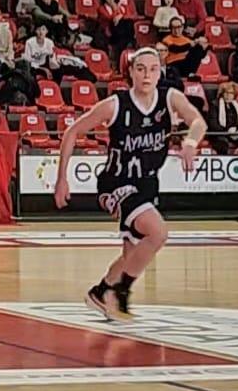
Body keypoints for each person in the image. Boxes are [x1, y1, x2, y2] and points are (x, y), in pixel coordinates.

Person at [55, 48, 205, 320]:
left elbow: (197, 121)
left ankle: (101, 292)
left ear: (160, 73)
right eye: (141, 69)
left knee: (133, 253)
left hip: (147, 183)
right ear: (131, 72)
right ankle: (121, 291)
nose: (147, 75)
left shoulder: (170, 97)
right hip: (117, 183)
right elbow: (72, 131)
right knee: (158, 233)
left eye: (153, 69)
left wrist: (191, 142)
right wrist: (61, 179)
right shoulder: (115, 104)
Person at [204, 81, 238, 153]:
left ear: (234, 95)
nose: (228, 95)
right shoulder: (215, 105)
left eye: (231, 93)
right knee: (223, 143)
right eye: (226, 93)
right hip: (219, 134)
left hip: (234, 134)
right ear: (222, 94)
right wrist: (227, 131)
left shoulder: (237, 106)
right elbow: (213, 125)